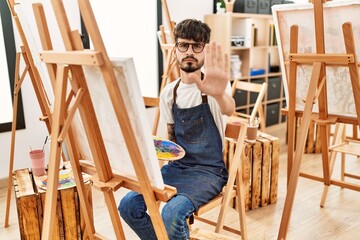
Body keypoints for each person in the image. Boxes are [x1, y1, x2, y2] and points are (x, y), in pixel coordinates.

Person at [118, 18, 235, 240]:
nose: (190, 51)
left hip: (209, 172)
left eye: (197, 45)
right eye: (184, 45)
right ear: (175, 50)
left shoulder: (213, 88)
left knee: (171, 213)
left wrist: (219, 93)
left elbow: (228, 109)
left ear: (205, 50)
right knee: (127, 205)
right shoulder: (169, 93)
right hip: (177, 168)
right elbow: (171, 140)